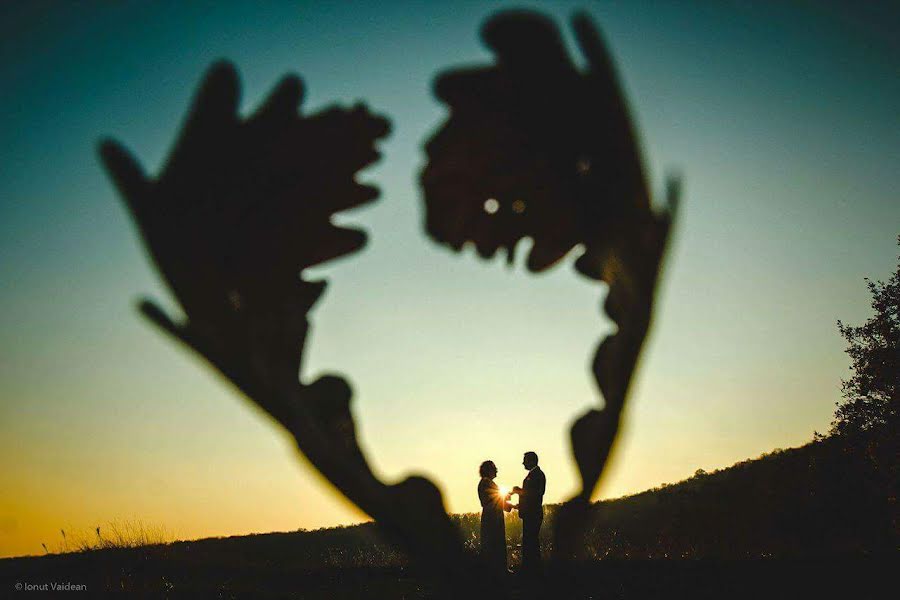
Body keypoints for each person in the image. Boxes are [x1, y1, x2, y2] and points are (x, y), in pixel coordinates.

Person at [512, 451, 545, 573]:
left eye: (525, 461)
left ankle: (532, 570)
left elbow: (535, 494)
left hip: (533, 514)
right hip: (530, 514)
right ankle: (531, 569)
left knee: (531, 543)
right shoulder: (535, 474)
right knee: (529, 542)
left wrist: (519, 491)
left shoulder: (537, 475)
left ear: (531, 461)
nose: (523, 463)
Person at [477, 460, 511, 573]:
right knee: (495, 542)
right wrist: (509, 496)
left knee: (494, 542)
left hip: (492, 516)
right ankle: (498, 570)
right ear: (489, 470)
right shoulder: (486, 483)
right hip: (492, 518)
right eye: (494, 469)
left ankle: (497, 570)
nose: (496, 471)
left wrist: (510, 505)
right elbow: (494, 499)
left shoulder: (485, 482)